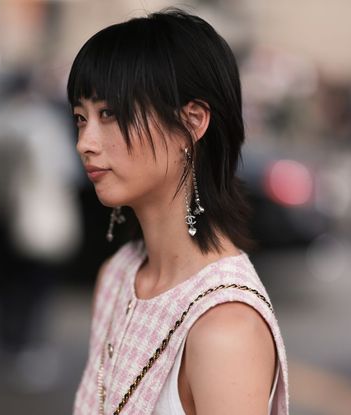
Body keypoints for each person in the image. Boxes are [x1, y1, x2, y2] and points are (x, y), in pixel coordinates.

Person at [67, 7, 289, 415]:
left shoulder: (225, 327)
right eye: (81, 118)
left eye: (110, 114)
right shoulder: (118, 275)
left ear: (192, 122)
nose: (86, 142)